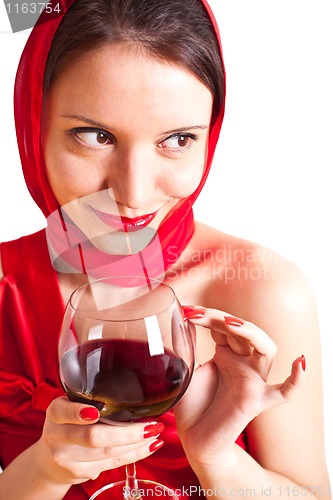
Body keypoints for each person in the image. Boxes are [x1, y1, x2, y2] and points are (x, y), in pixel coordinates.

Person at [0, 0, 330, 498]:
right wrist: (45, 470)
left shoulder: (261, 289)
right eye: (94, 135)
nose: (132, 193)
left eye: (177, 139)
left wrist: (217, 459)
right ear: (33, 124)